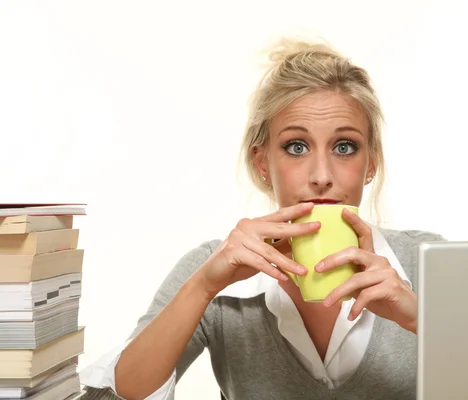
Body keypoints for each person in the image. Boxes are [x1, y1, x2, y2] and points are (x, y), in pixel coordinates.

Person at [80, 38, 444, 400]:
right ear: (262, 162)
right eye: (296, 147)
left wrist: (420, 320)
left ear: (371, 164)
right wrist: (204, 286)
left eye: (344, 147)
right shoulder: (214, 269)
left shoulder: (429, 262)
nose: (321, 174)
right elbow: (113, 397)